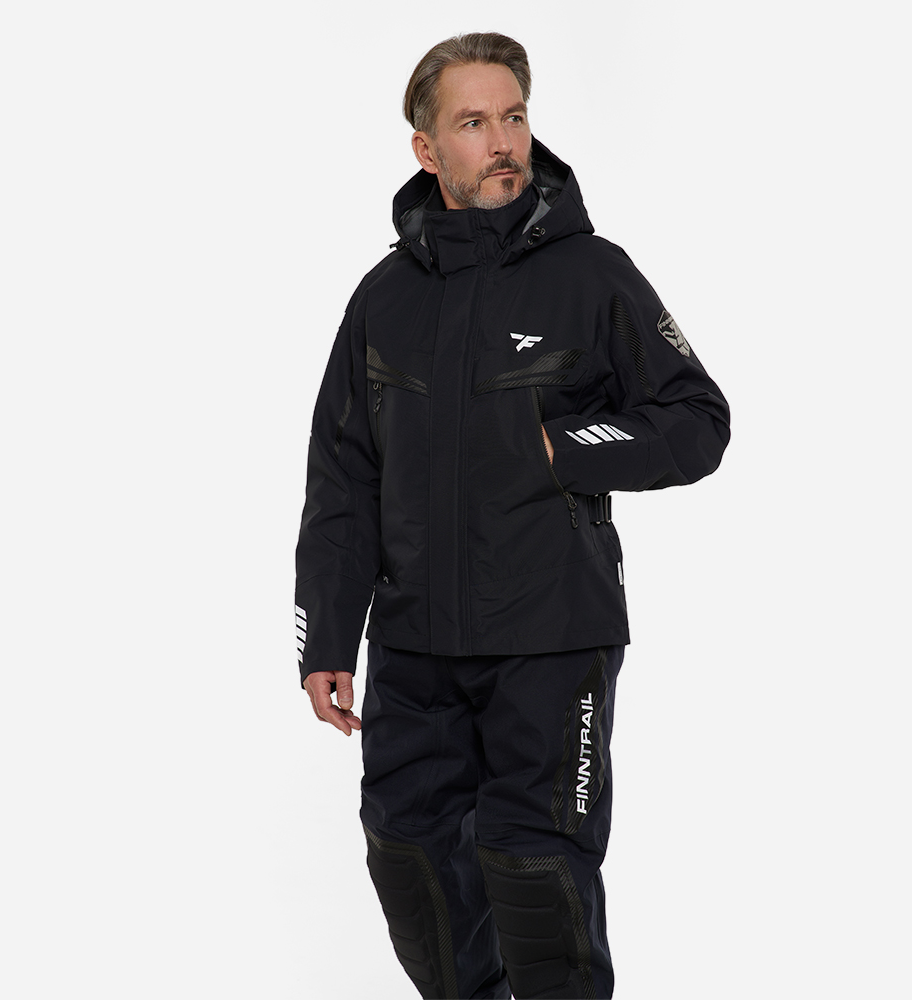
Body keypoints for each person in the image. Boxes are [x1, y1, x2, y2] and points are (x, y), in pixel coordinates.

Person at [295, 32, 730, 1000]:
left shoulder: (592, 275)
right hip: (414, 644)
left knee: (536, 871)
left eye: (515, 116)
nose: (502, 142)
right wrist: (326, 635)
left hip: (551, 636)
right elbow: (343, 477)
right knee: (409, 858)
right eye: (473, 122)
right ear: (427, 150)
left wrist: (561, 445)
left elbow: (698, 421)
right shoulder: (383, 298)